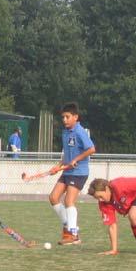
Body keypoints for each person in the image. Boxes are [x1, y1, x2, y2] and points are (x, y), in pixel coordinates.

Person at [49, 102, 96, 245]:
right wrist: (58, 166)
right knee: (53, 197)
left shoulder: (80, 131)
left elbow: (91, 149)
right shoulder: (65, 132)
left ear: (75, 117)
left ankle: (73, 234)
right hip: (68, 170)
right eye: (63, 117)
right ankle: (68, 226)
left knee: (69, 201)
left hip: (79, 172)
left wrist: (77, 159)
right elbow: (67, 155)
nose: (64, 120)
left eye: (67, 117)